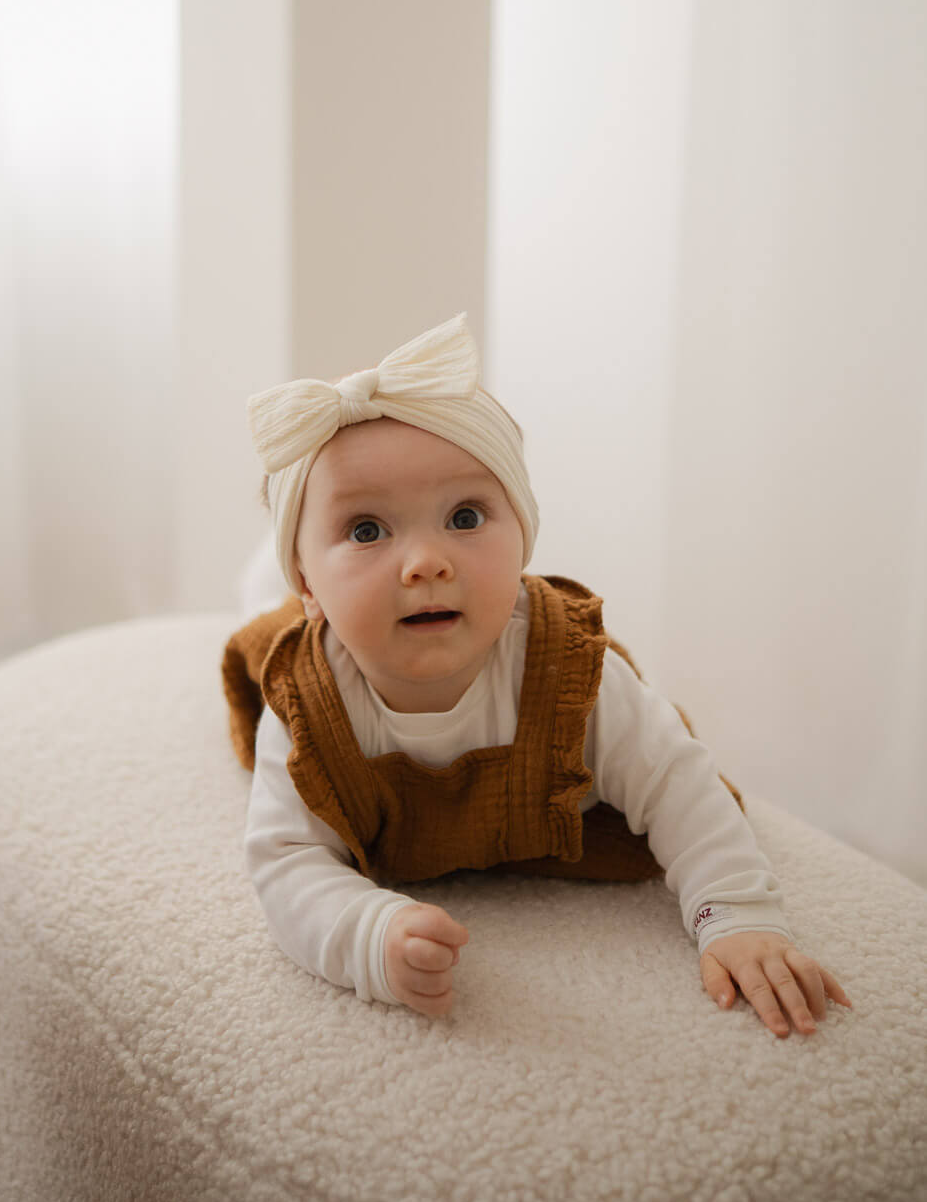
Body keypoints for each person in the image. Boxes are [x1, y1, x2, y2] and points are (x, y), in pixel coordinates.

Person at [223, 313, 852, 1034]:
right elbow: (286, 860)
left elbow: (679, 784)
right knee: (256, 629)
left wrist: (736, 914)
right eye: (367, 530)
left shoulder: (572, 677)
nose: (427, 561)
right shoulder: (308, 704)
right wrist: (366, 932)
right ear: (308, 580)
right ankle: (266, 580)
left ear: (522, 533)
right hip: (311, 626)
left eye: (465, 516)